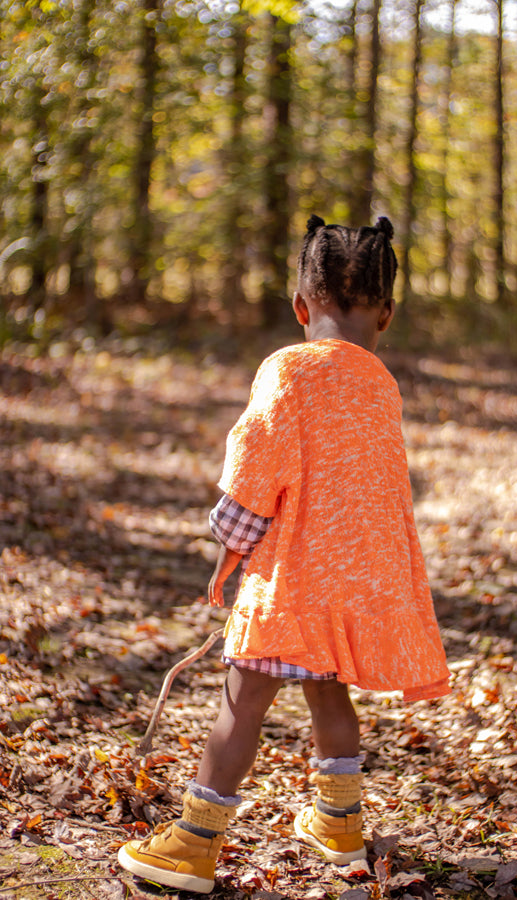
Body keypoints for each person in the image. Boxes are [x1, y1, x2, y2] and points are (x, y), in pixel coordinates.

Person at [118, 215, 450, 894]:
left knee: (243, 701)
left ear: (301, 306)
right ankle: (339, 824)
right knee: (329, 693)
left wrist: (232, 546)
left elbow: (255, 463)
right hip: (358, 578)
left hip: (292, 579)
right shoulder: (381, 385)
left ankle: (193, 844)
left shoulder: (288, 370)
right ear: (386, 315)